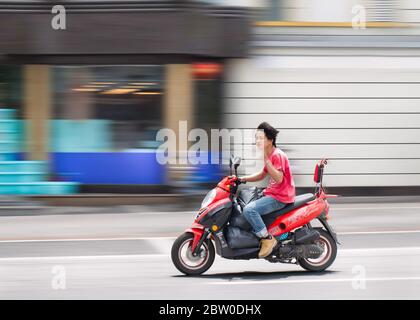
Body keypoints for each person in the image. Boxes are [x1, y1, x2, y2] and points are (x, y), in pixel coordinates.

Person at [239, 122, 296, 258]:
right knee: (245, 204)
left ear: (270, 140)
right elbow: (262, 174)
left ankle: (267, 239)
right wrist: (241, 179)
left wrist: (266, 160)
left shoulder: (277, 155)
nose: (257, 141)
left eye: (261, 138)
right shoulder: (270, 154)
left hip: (280, 197)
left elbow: (279, 179)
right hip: (272, 193)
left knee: (249, 210)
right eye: (256, 138)